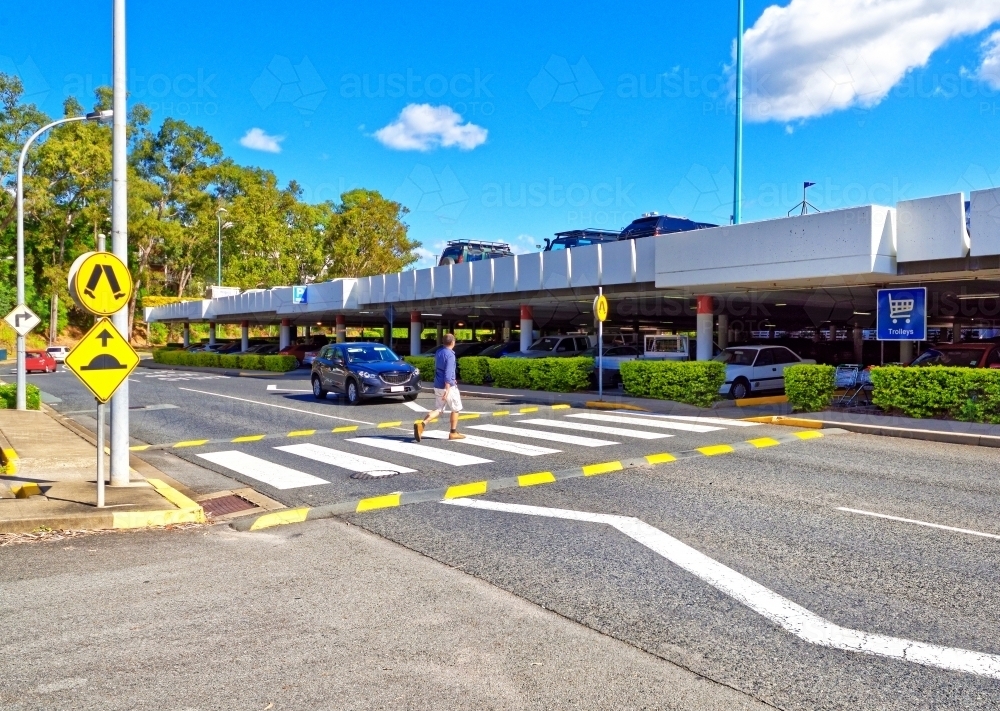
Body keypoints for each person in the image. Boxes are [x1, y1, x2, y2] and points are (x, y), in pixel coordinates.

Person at [414, 334, 465, 441]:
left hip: (437, 384)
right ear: (453, 342)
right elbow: (447, 373)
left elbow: (440, 369)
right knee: (456, 409)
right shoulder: (450, 355)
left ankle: (422, 425)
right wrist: (448, 388)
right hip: (448, 386)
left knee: (439, 409)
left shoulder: (439, 352)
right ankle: (453, 433)